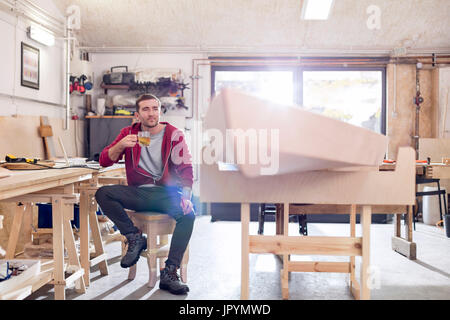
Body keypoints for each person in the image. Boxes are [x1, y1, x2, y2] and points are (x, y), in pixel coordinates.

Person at [95, 93, 195, 295]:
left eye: (155, 108)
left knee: (189, 214)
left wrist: (186, 197)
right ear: (137, 114)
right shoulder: (128, 133)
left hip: (166, 193)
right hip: (138, 193)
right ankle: (134, 237)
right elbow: (105, 161)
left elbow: (186, 169)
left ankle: (169, 272)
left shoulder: (174, 135)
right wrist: (121, 144)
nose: (151, 113)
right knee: (103, 193)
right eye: (146, 109)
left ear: (160, 111)